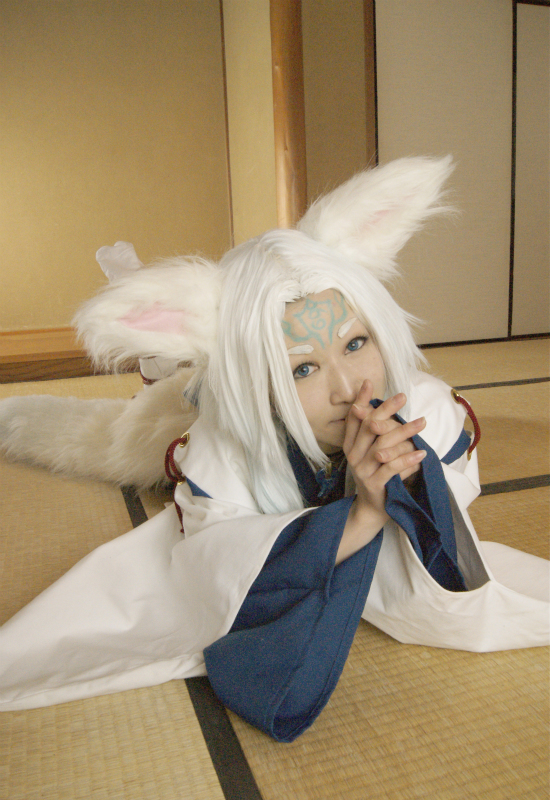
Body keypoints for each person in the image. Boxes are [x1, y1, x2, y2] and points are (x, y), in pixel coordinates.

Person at [0, 157, 547, 741]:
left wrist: (403, 486)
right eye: (303, 367)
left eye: (356, 343)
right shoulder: (221, 446)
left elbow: (447, 547)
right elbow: (214, 570)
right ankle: (80, 387)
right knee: (121, 436)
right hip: (201, 406)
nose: (349, 388)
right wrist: (362, 514)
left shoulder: (426, 409)